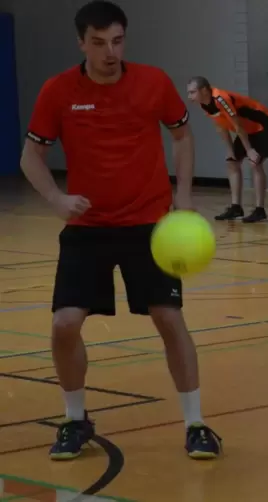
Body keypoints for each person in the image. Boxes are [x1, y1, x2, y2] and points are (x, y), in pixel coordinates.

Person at [20, 0, 221, 460]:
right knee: (64, 325)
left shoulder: (153, 82)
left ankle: (196, 425)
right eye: (98, 42)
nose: (109, 51)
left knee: (169, 319)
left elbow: (183, 135)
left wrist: (184, 201)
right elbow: (30, 156)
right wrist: (56, 198)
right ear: (81, 43)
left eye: (117, 41)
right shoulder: (58, 91)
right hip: (87, 227)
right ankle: (75, 419)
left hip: (148, 225)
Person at [186, 76, 268, 223]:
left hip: (262, 124)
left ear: (203, 90)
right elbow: (220, 126)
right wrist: (230, 150)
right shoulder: (205, 104)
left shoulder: (221, 99)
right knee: (232, 163)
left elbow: (237, 126)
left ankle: (260, 210)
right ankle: (236, 207)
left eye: (192, 92)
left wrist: (249, 150)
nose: (189, 97)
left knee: (255, 163)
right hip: (247, 128)